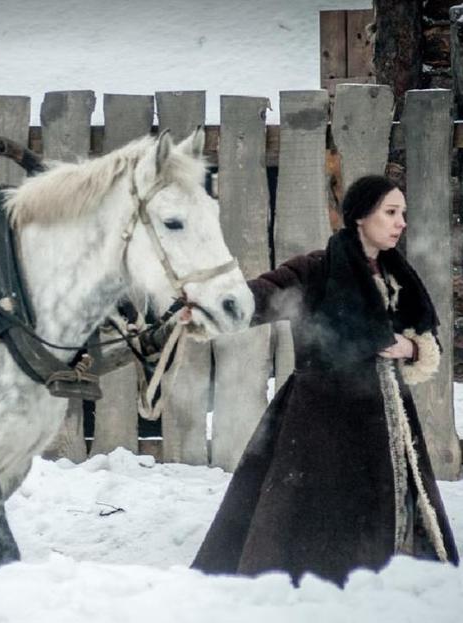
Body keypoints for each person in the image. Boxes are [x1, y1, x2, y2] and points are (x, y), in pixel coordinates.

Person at [190, 175, 459, 587]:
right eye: (390, 212)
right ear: (359, 217)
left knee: (389, 508)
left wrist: (411, 349)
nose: (401, 222)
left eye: (402, 213)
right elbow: (265, 293)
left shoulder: (397, 276)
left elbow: (426, 339)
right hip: (318, 418)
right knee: (308, 514)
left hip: (385, 414)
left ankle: (386, 583)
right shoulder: (317, 269)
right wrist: (212, 307)